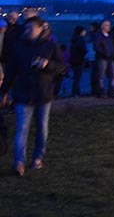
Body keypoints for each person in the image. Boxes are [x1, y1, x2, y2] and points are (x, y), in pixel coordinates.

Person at [0, 16, 66, 176]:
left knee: (42, 128)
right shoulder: (19, 47)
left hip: (43, 94)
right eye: (27, 28)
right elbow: (11, 71)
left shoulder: (51, 46)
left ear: (40, 28)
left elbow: (61, 66)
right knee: (22, 129)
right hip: (22, 94)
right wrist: (4, 91)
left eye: (32, 28)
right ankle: (19, 163)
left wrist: (47, 65)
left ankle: (38, 157)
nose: (28, 31)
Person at [93, 20, 114, 98]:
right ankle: (101, 92)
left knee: (112, 76)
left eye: (109, 25)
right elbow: (96, 47)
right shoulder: (98, 36)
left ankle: (111, 92)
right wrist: (104, 53)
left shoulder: (109, 36)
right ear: (102, 26)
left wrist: (112, 53)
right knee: (101, 76)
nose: (109, 27)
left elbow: (111, 46)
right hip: (102, 58)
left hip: (110, 58)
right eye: (107, 25)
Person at [69, 26, 88, 97]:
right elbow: (82, 50)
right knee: (77, 77)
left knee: (76, 77)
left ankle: (75, 92)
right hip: (79, 60)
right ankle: (76, 92)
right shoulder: (81, 40)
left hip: (74, 60)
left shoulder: (74, 39)